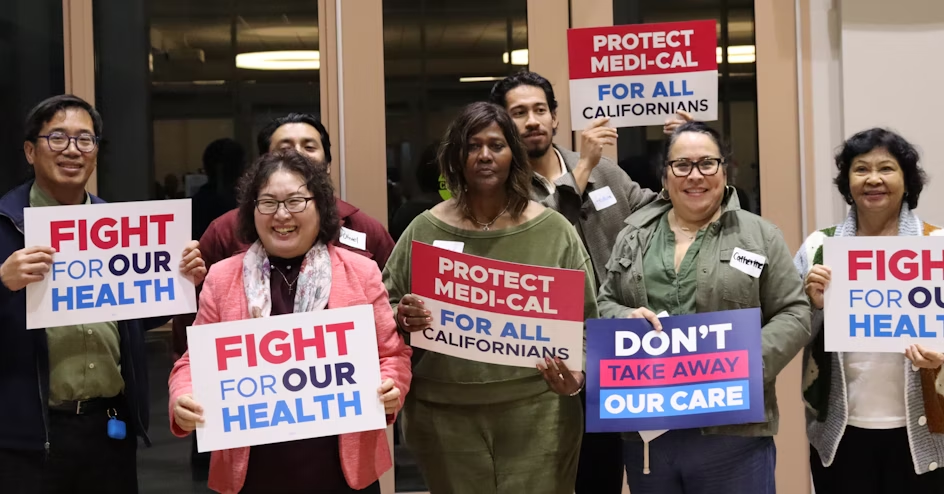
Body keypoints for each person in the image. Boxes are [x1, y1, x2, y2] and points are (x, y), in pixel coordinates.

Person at [383, 101, 597, 494]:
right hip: (443, 415)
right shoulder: (423, 228)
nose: (484, 156)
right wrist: (402, 316)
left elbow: (587, 321)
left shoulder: (554, 230)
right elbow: (384, 310)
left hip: (539, 411)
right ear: (455, 156)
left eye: (496, 145)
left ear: (514, 154)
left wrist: (577, 377)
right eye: (472, 145)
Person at [169, 150, 412, 494]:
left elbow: (392, 355)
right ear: (252, 211)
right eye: (268, 202)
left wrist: (392, 387)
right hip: (252, 474)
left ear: (321, 206)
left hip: (342, 474)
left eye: (296, 201)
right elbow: (194, 361)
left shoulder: (360, 272)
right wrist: (182, 397)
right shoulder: (222, 278)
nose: (281, 215)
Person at [0, 94, 206, 494]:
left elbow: (132, 320)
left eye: (85, 140)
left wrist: (179, 283)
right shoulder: (5, 225)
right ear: (30, 150)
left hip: (108, 427)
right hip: (27, 436)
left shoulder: (118, 227)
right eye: (57, 138)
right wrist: (2, 283)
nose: (72, 150)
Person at [597, 122, 810, 493]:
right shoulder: (632, 236)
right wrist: (623, 317)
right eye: (682, 165)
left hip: (733, 434)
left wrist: (751, 361)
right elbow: (605, 301)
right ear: (665, 175)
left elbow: (795, 311)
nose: (695, 176)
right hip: (649, 433)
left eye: (707, 164)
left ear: (724, 171)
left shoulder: (760, 235)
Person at [490, 70, 673, 494]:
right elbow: (546, 227)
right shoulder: (501, 186)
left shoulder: (608, 172)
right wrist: (584, 168)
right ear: (501, 123)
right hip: (547, 352)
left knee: (604, 469)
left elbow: (659, 213)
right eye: (519, 113)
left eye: (540, 110)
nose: (532, 120)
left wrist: (680, 153)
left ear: (556, 118)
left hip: (615, 345)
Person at [795, 128, 944, 493]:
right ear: (847, 183)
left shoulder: (936, 246)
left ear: (906, 180)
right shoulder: (819, 247)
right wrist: (812, 306)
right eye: (861, 169)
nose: (873, 179)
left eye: (886, 168)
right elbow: (789, 329)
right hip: (841, 435)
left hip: (923, 435)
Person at [199, 113, 395, 271]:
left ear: (327, 164)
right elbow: (195, 316)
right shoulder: (223, 231)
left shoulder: (364, 229)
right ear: (264, 164)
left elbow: (393, 304)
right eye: (284, 148)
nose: (297, 154)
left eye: (309, 147)